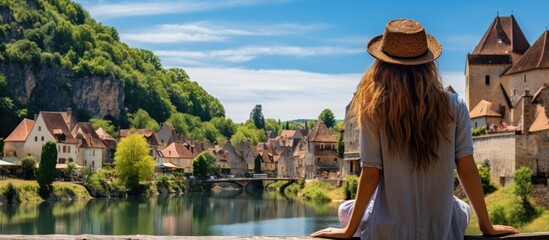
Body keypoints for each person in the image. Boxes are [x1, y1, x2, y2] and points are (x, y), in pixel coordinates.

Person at [310, 19, 518, 240]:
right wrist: (487, 226)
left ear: (382, 65)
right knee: (461, 208)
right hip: (440, 231)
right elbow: (467, 169)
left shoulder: (373, 109)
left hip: (389, 232)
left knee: (345, 209)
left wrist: (348, 230)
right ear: (428, 64)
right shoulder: (455, 105)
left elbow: (371, 173)